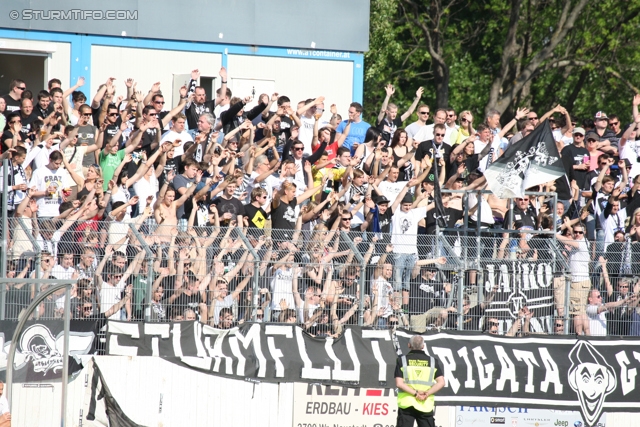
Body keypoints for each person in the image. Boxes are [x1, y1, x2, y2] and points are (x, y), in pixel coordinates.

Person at [395, 335, 445, 427]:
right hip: (425, 403)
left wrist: (415, 393)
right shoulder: (433, 361)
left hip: (407, 403)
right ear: (423, 346)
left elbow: (399, 383)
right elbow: (441, 382)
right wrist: (427, 393)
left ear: (409, 345)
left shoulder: (402, 360)